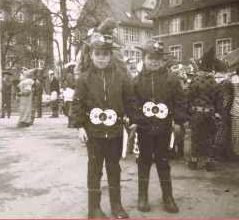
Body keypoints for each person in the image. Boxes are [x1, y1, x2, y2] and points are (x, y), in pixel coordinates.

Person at [71, 32, 139, 219]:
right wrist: (80, 127)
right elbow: (77, 104)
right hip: (93, 133)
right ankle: (94, 209)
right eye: (97, 54)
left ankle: (116, 206)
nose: (101, 57)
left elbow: (130, 100)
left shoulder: (121, 77)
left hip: (115, 132)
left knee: (114, 167)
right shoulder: (84, 78)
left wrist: (133, 120)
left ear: (110, 56)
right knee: (94, 168)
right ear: (91, 55)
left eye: (105, 54)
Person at [133, 39, 188, 213]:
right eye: (150, 57)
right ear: (144, 58)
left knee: (164, 163)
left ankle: (168, 197)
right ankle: (142, 197)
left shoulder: (171, 79)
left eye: (157, 57)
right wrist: (135, 119)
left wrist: (179, 121)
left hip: (164, 130)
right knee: (143, 163)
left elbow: (180, 101)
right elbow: (132, 104)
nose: (154, 61)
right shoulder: (136, 81)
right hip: (144, 131)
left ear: (162, 60)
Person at [187, 46, 222, 171]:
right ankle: (209, 163)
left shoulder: (196, 79)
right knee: (209, 138)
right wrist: (217, 112)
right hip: (211, 114)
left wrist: (188, 110)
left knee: (196, 137)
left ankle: (194, 162)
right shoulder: (214, 82)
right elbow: (219, 99)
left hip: (197, 113)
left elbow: (188, 95)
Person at [63, 62, 76, 127]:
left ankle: (70, 123)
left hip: (68, 93)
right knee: (71, 108)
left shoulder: (67, 75)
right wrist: (76, 83)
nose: (74, 69)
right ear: (71, 68)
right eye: (73, 67)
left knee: (69, 108)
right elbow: (71, 85)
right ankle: (71, 123)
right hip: (70, 93)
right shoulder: (70, 75)